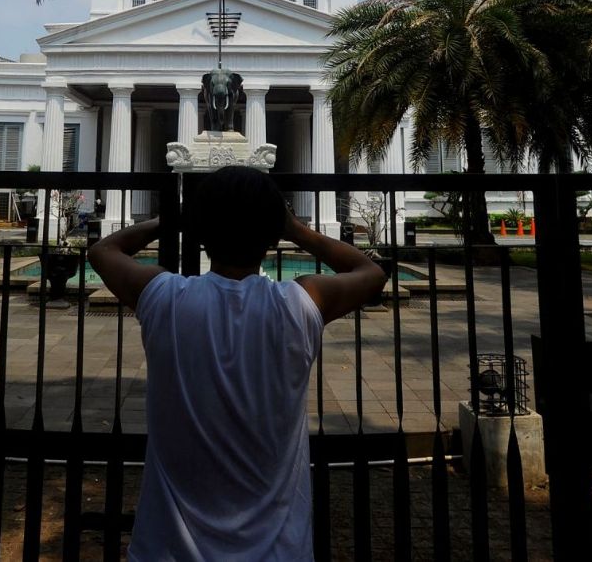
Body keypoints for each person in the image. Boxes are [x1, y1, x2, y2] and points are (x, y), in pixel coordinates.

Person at [87, 166, 386, 561]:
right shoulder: (300, 304)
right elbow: (371, 272)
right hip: (278, 552)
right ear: (271, 232)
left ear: (201, 231)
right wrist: (296, 230)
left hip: (167, 551)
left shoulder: (165, 299)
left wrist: (171, 220)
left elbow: (102, 252)